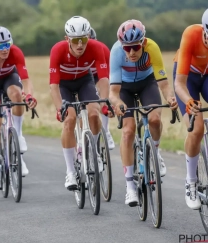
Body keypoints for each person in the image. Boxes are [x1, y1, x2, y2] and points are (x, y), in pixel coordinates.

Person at [109, 20, 177, 206]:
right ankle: (130, 185)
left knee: (154, 119)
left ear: (143, 42)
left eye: (136, 47)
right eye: (127, 48)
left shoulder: (152, 48)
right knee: (128, 131)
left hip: (147, 83)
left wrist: (171, 99)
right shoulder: (116, 52)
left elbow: (163, 84)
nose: (131, 52)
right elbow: (113, 93)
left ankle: (155, 151)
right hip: (125, 88)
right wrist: (118, 103)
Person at [49, 16, 111, 190]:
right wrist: (59, 107)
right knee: (69, 120)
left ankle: (95, 151)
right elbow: (53, 85)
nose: (80, 45)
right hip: (64, 84)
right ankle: (70, 171)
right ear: (67, 39)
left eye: (83, 39)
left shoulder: (96, 47)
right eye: (75, 40)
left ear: (88, 37)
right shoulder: (58, 50)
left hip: (85, 81)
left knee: (93, 113)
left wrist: (104, 103)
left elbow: (104, 79)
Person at [0, 26, 37, 189]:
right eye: (0, 46)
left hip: (9, 78)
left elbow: (25, 79)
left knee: (17, 96)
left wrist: (29, 95)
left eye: (7, 45)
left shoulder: (15, 52)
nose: (5, 50)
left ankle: (18, 135)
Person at [173, 9, 208, 210]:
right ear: (204, 31)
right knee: (196, 129)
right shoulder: (191, 34)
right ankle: (191, 182)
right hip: (189, 79)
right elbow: (179, 84)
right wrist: (189, 102)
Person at [89, 27, 115, 150]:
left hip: (98, 75)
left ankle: (105, 129)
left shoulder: (102, 49)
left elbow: (107, 76)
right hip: (81, 76)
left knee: (104, 94)